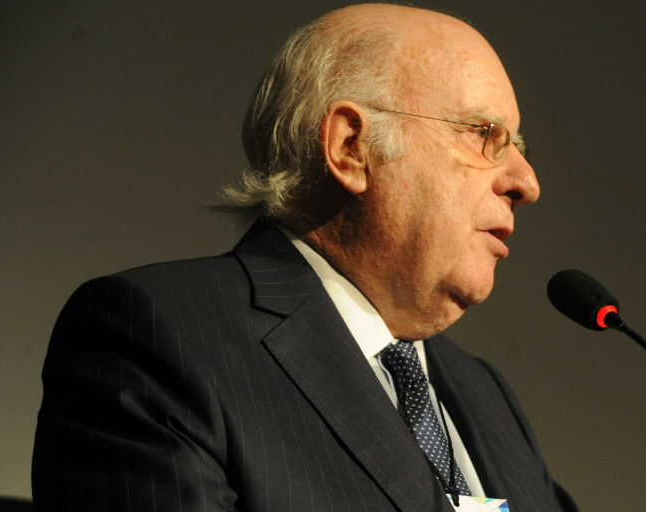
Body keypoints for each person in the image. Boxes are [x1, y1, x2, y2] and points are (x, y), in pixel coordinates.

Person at [33, 4, 576, 511]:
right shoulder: (159, 339)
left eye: (518, 146)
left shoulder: (486, 396)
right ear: (350, 147)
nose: (526, 182)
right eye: (484, 135)